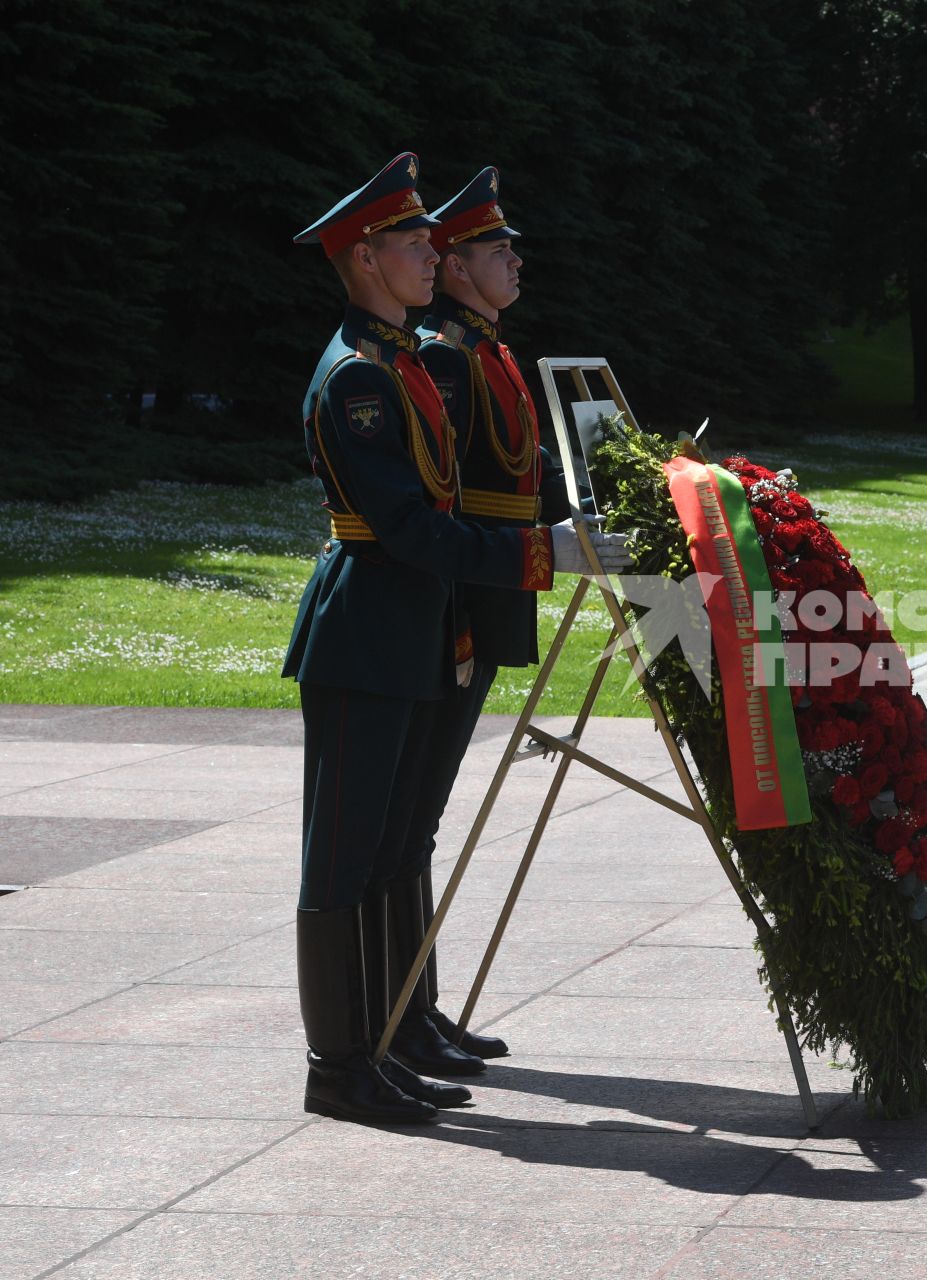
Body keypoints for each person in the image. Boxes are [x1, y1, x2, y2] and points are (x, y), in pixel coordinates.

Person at [285, 153, 632, 1124]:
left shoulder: (398, 361)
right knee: (344, 854)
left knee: (391, 841)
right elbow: (405, 526)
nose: (429, 254)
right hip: (366, 626)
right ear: (362, 260)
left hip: (414, 620)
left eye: (435, 241)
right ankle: (339, 1062)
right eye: (411, 242)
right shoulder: (359, 377)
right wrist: (542, 552)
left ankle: (385, 1035)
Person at [376, 167, 572, 1067]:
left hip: (492, 585)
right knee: (412, 816)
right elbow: (443, 501)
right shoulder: (447, 356)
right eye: (497, 250)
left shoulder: (483, 349)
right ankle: (403, 1014)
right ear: (454, 267)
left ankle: (418, 1007)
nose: (515, 261)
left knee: (425, 815)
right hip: (463, 593)